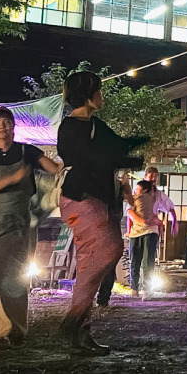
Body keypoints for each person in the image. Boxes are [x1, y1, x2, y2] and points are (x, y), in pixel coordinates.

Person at [57, 70, 148, 352]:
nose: (101, 96)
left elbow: (117, 145)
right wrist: (129, 158)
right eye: (98, 90)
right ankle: (74, 319)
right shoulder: (70, 127)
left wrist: (135, 146)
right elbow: (93, 158)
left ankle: (80, 330)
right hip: (81, 198)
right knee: (110, 249)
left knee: (90, 263)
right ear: (88, 94)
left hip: (101, 201)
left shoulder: (96, 124)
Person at [0, 107, 62, 348]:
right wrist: (13, 179)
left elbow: (56, 169)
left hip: (20, 221)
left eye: (6, 121)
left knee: (15, 275)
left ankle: (11, 331)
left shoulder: (27, 151)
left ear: (13, 126)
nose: (1, 126)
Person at [126, 171, 176, 298]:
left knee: (148, 261)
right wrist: (129, 229)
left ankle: (147, 289)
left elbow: (170, 207)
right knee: (134, 261)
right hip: (136, 231)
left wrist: (173, 221)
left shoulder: (158, 195)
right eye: (150, 176)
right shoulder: (136, 195)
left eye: (155, 177)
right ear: (144, 178)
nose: (153, 179)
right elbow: (129, 213)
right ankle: (134, 288)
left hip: (151, 230)